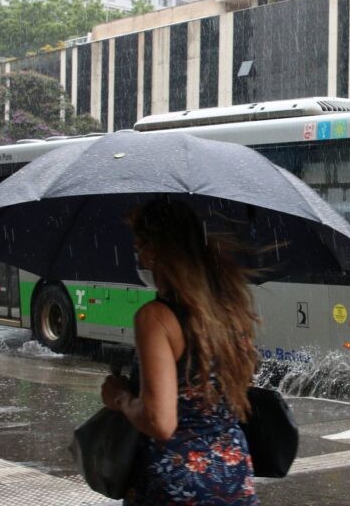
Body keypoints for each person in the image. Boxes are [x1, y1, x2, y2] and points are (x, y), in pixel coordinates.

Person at [100, 200, 259, 505]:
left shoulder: (156, 318)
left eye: (140, 246)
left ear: (160, 250)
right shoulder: (230, 308)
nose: (140, 258)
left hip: (178, 483)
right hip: (234, 477)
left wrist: (120, 398)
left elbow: (161, 422)